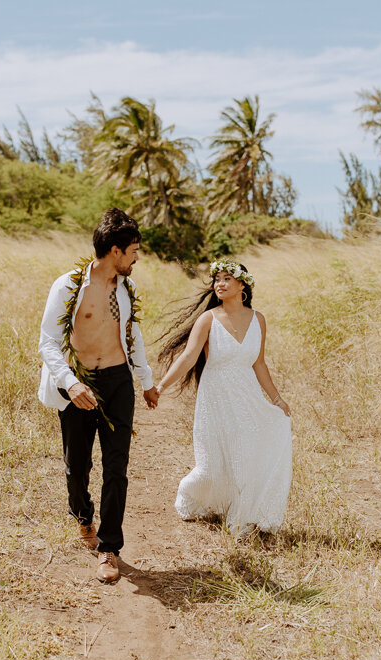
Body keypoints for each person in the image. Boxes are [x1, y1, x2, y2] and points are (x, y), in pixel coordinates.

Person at [37, 208, 158, 583]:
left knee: (116, 466)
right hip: (78, 382)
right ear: (116, 251)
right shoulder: (69, 286)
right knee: (77, 467)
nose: (137, 257)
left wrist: (146, 379)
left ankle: (109, 549)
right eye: (134, 250)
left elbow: (132, 336)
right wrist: (71, 383)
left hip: (118, 382)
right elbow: (48, 342)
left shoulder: (127, 288)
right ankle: (83, 517)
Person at [156, 260, 292, 535]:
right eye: (217, 278)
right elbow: (188, 357)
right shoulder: (208, 319)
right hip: (215, 396)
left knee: (246, 455)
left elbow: (259, 364)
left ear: (242, 284)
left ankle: (243, 516)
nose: (219, 283)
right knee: (211, 465)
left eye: (227, 278)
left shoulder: (259, 320)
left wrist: (277, 400)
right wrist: (160, 387)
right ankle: (191, 494)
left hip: (247, 396)